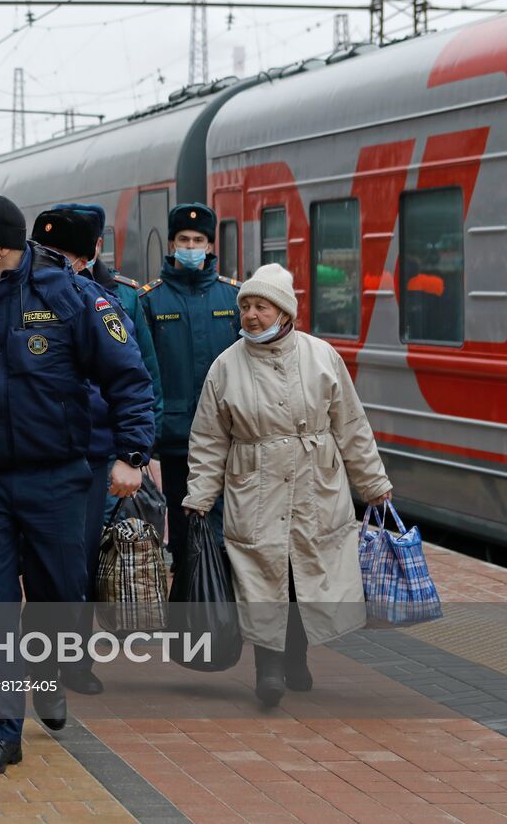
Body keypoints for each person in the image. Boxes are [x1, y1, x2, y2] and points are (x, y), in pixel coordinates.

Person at [0, 195, 154, 777]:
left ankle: (51, 672)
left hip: (59, 477)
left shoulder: (72, 296)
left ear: (6, 246)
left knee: (60, 594)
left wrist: (132, 455)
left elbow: (128, 378)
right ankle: (1, 732)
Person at [183, 264, 392, 708]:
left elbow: (351, 425)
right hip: (255, 488)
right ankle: (269, 669)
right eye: (245, 307)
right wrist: (199, 496)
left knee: (302, 577)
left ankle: (296, 656)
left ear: (284, 311)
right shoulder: (226, 366)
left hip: (315, 484)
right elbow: (208, 438)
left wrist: (373, 482)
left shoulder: (321, 356)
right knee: (262, 577)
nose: (251, 316)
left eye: (261, 306)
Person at [31, 206, 157, 698]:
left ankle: (75, 658)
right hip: (39, 450)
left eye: (62, 255)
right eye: (45, 252)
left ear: (89, 256)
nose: (51, 262)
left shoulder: (116, 299)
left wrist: (138, 451)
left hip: (93, 453)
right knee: (41, 562)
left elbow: (139, 376)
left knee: (77, 560)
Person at [138, 203, 241, 576]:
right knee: (182, 530)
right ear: (171, 244)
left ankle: (224, 606)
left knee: (229, 526)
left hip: (229, 434)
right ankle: (189, 607)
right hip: (176, 439)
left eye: (199, 240)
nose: (192, 246)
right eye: (184, 239)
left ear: (211, 246)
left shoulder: (234, 299)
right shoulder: (150, 300)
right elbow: (144, 372)